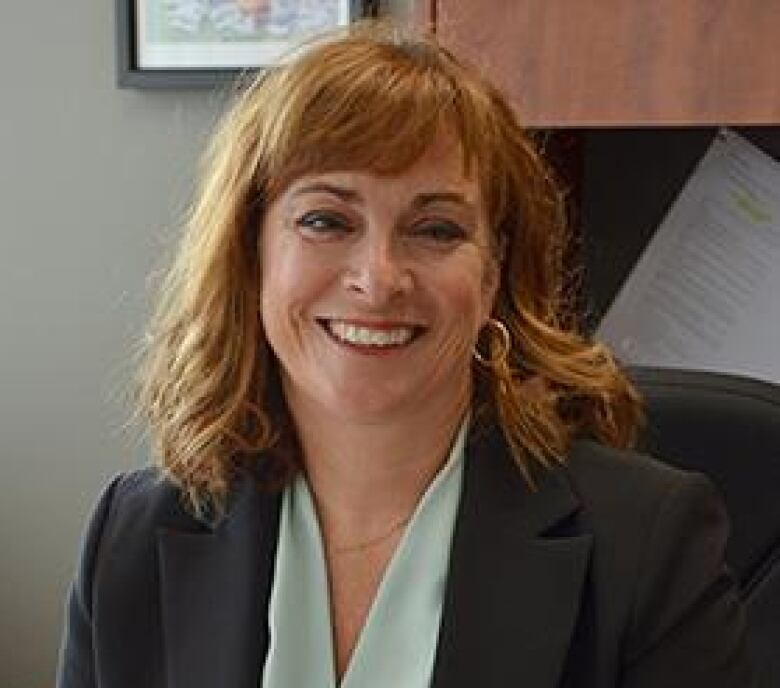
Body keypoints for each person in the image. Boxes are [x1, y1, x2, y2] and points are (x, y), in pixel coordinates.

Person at [56, 21, 753, 688]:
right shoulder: (135, 536)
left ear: (491, 279)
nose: (379, 277)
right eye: (327, 220)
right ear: (251, 253)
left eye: (435, 228)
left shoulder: (646, 543)